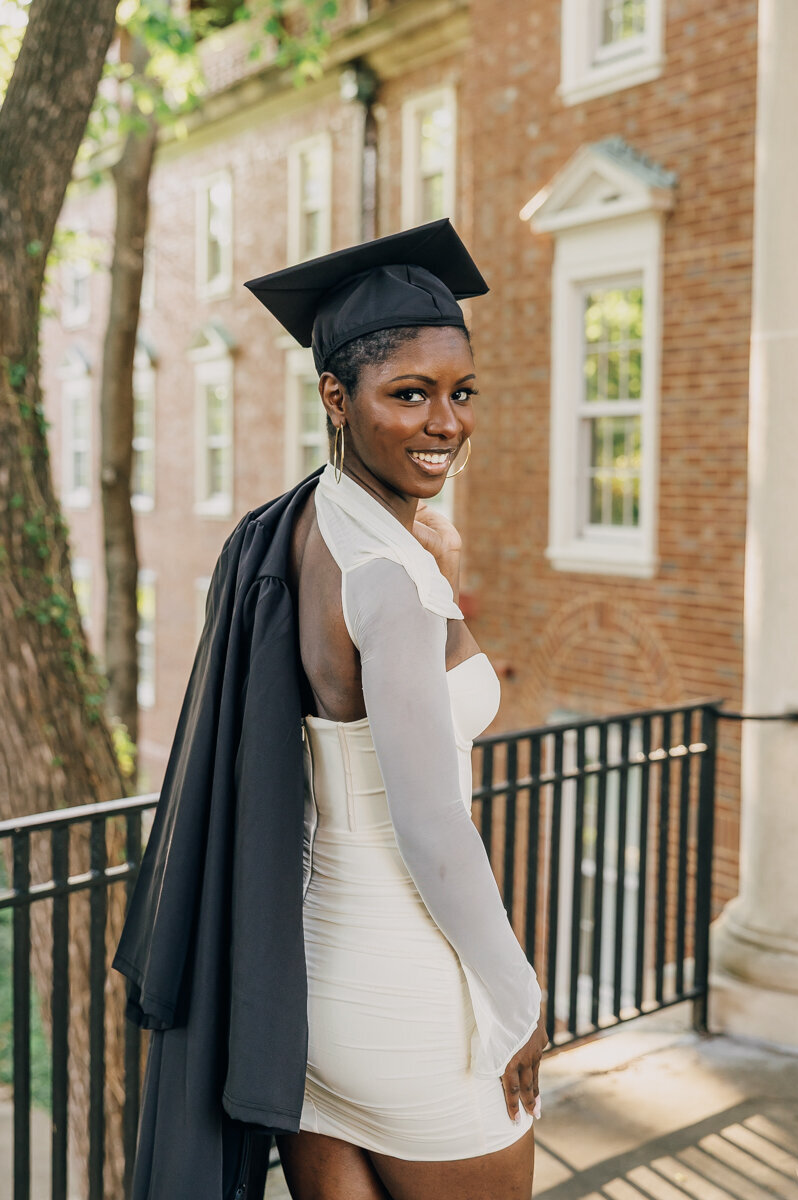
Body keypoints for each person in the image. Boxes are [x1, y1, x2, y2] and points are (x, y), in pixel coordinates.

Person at [244, 218, 547, 1200]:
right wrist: (515, 996)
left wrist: (435, 571)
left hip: (313, 986)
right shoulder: (386, 575)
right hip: (410, 990)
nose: (445, 423)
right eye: (407, 394)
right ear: (335, 397)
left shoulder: (301, 526)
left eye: (460, 394)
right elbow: (429, 826)